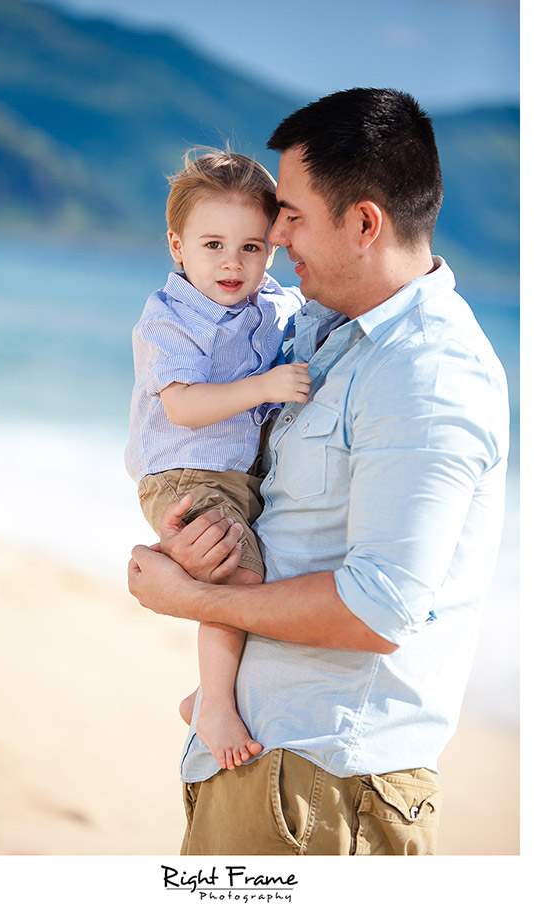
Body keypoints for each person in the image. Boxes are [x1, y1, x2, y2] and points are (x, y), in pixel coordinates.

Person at [128, 89, 510, 856]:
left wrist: (190, 596)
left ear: (365, 222)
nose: (273, 233)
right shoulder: (320, 332)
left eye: (292, 214)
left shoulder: (426, 375)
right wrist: (189, 536)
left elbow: (378, 610)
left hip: (324, 789)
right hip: (268, 769)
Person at [125, 149, 308, 771]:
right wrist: (263, 388)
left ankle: (211, 692)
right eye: (212, 245)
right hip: (184, 471)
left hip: (238, 475)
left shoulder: (277, 307)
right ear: (177, 246)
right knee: (237, 576)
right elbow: (182, 407)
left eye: (252, 247)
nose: (232, 262)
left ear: (273, 249)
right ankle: (214, 704)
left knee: (266, 573)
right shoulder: (169, 317)